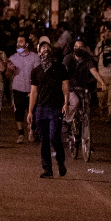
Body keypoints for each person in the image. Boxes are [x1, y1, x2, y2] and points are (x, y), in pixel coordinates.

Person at [28, 41, 70, 178]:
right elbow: (33, 92)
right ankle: (47, 169)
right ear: (39, 53)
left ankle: (60, 162)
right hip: (41, 108)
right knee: (44, 140)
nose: (45, 51)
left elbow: (65, 87)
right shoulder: (36, 71)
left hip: (55, 107)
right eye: (43, 49)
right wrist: (30, 111)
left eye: (48, 48)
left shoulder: (60, 68)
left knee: (54, 137)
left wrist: (66, 103)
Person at [62, 39, 105, 133]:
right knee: (75, 102)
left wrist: (102, 83)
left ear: (85, 48)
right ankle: (66, 120)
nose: (78, 49)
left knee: (87, 103)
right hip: (71, 87)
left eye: (80, 47)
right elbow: (63, 72)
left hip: (83, 87)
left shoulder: (87, 59)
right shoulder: (68, 58)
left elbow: (94, 71)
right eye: (76, 47)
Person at [8, 35, 40, 143]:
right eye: (17, 41)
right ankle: (21, 134)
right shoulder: (13, 58)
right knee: (19, 111)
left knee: (32, 111)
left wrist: (34, 88)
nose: (18, 44)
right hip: (18, 88)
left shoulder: (34, 57)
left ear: (26, 44)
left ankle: (32, 130)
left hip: (31, 88)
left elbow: (38, 73)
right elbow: (7, 75)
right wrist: (9, 69)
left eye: (21, 41)